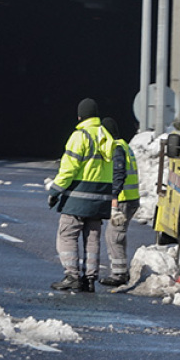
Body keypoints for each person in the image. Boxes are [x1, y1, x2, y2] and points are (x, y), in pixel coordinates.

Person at [47, 98, 115, 292]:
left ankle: (72, 275)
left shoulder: (80, 136)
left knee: (67, 234)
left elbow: (69, 168)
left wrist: (55, 191)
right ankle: (90, 279)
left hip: (78, 198)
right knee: (92, 238)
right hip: (100, 199)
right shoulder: (106, 137)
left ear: (80, 116)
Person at [99, 117, 141, 287]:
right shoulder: (124, 145)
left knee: (113, 236)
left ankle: (118, 275)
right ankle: (121, 270)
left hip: (123, 199)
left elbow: (118, 172)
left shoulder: (116, 148)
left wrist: (113, 197)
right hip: (130, 198)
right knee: (119, 235)